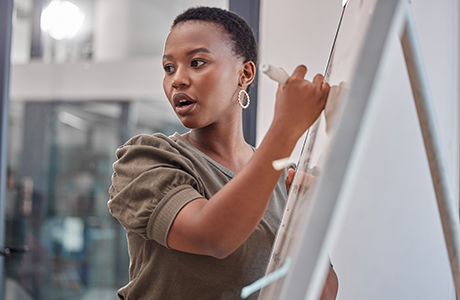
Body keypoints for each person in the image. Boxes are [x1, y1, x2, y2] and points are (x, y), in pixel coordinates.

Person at [108, 6, 338, 300]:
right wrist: (286, 129)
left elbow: (324, 294)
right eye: (169, 68)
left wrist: (307, 218)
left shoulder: (285, 181)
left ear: (244, 74)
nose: (177, 79)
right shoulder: (145, 160)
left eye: (197, 62)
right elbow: (212, 237)